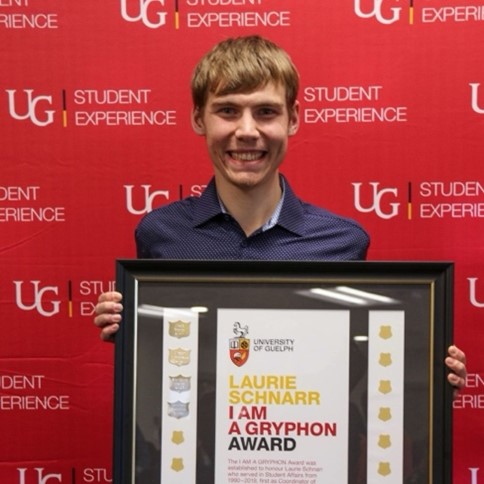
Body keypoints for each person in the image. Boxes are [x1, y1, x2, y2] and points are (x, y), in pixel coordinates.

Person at [94, 35, 466, 389]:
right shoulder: (161, 232)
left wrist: (426, 378)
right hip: (194, 449)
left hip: (301, 446)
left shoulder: (343, 242)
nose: (247, 131)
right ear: (198, 119)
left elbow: (354, 372)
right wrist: (128, 329)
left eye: (266, 112)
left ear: (292, 118)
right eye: (227, 110)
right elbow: (159, 360)